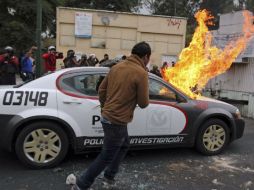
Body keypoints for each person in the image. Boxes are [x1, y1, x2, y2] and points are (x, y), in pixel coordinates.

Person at [66, 41, 151, 190]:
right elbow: (144, 103)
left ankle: (110, 175)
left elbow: (101, 91)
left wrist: (105, 108)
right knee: (106, 156)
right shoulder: (141, 73)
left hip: (108, 118)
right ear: (146, 57)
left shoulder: (116, 67)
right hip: (117, 121)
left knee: (124, 145)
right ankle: (81, 184)